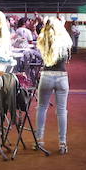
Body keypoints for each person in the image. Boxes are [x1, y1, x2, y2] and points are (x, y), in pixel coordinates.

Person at [34, 18, 72, 154]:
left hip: (46, 76)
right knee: (62, 111)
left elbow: (39, 46)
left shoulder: (44, 39)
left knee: (42, 108)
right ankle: (62, 143)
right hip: (62, 77)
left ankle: (39, 139)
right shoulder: (65, 40)